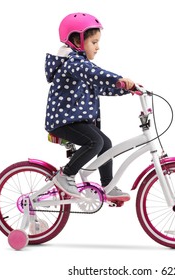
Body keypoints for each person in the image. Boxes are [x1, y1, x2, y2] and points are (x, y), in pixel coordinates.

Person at [44, 12, 135, 202]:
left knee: (106, 144)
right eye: (94, 42)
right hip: (64, 121)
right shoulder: (73, 63)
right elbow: (96, 74)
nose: (98, 47)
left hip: (74, 120)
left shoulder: (80, 66)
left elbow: (99, 86)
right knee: (95, 142)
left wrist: (127, 89)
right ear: (78, 41)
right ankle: (66, 175)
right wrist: (118, 79)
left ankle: (107, 185)